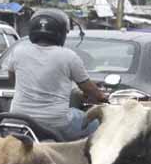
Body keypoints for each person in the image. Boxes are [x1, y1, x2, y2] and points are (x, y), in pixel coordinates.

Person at [7, 8, 106, 140]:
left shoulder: (18, 51)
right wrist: (103, 97)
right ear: (61, 33)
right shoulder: (69, 56)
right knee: (99, 123)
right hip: (57, 122)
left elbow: (12, 80)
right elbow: (89, 89)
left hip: (19, 118)